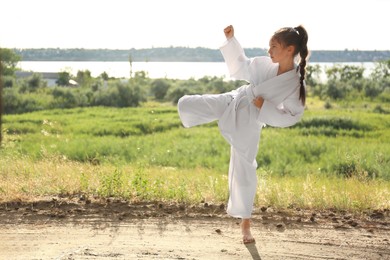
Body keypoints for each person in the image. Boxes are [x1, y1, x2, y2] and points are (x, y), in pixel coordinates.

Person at [177, 25, 309, 244]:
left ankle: (245, 224)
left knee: (245, 169)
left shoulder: (295, 82)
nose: (269, 51)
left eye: (273, 46)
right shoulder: (265, 64)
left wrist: (264, 108)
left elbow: (292, 116)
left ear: (289, 49)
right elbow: (242, 65)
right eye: (269, 46)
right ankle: (182, 113)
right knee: (189, 103)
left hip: (251, 120)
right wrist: (231, 41)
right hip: (236, 99)